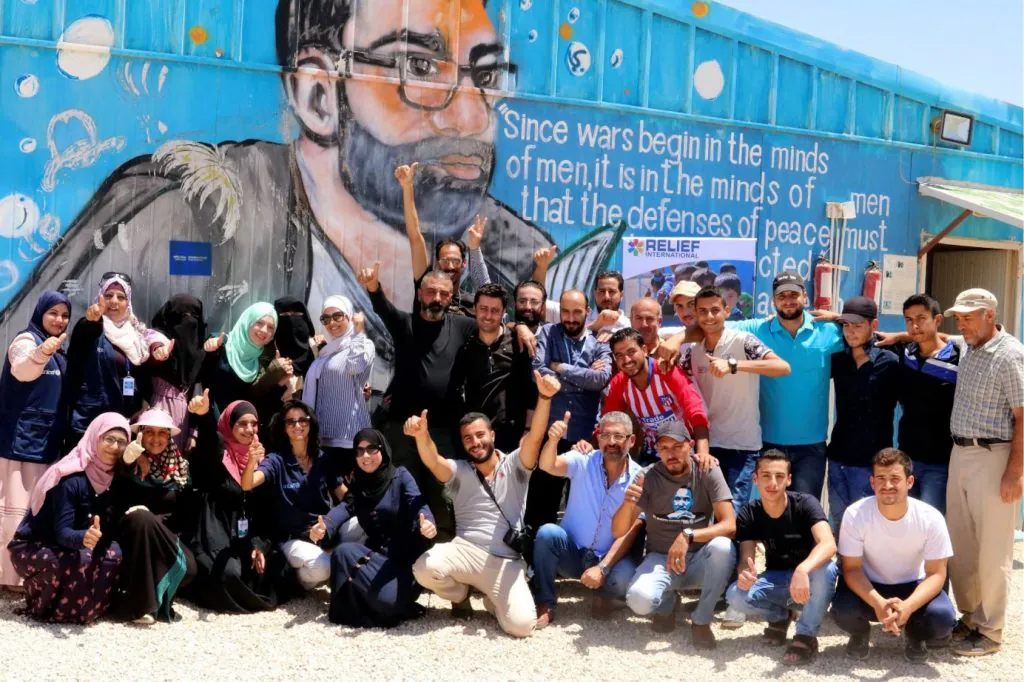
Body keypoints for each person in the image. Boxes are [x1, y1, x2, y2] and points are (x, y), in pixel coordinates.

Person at [0, 0, 562, 393]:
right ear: (318, 94)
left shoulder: (512, 256)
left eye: (485, 76)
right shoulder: (193, 212)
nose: (472, 117)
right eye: (419, 67)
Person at [669, 271, 843, 499]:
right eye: (781, 296)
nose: (788, 301)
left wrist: (841, 318)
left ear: (805, 297)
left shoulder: (829, 331)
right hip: (767, 441)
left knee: (804, 510)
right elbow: (710, 324)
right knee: (767, 511)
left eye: (794, 295)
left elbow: (865, 334)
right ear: (773, 301)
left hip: (811, 444)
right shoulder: (755, 329)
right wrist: (677, 339)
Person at [410, 373, 559, 638]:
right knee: (423, 568)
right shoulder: (459, 471)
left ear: (492, 435)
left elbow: (535, 438)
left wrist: (544, 397)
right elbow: (434, 460)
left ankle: (493, 602)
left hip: (506, 561)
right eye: (468, 438)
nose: (475, 442)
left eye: (480, 435)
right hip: (465, 551)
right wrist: (422, 436)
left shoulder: (515, 465)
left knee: (522, 627)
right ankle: (460, 594)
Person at [360, 263, 477, 538]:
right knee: (405, 491)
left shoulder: (463, 326)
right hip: (403, 429)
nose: (437, 299)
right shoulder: (405, 324)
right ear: (420, 293)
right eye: (431, 292)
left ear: (451, 297)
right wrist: (373, 285)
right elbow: (382, 307)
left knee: (443, 493)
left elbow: (493, 328)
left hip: (442, 431)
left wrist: (520, 328)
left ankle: (443, 547)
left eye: (444, 294)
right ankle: (405, 547)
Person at [943, 288, 1024, 656]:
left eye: (968, 317)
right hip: (960, 452)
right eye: (959, 318)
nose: (961, 324)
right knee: (962, 544)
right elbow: (938, 336)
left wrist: (1014, 473)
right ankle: (972, 616)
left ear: (990, 315)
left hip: (995, 456)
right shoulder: (970, 345)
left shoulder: (1010, 355)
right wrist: (895, 335)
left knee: (992, 549)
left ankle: (991, 630)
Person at [614, 422, 737, 649]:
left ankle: (701, 620)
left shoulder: (707, 470)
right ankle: (667, 604)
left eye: (678, 446)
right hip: (661, 559)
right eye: (664, 448)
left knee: (722, 547)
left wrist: (688, 534)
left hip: (699, 558)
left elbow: (730, 525)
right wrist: (628, 503)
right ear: (657, 450)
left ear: (691, 446)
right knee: (639, 602)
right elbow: (619, 531)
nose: (671, 454)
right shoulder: (647, 477)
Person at [831, 449, 956, 663]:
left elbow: (936, 574)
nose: (887, 485)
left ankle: (915, 634)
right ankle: (860, 634)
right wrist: (878, 603)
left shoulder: (931, 518)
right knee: (842, 610)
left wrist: (908, 606)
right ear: (872, 483)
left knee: (942, 618)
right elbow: (851, 569)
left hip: (913, 585)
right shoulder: (855, 514)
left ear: (909, 482)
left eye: (895, 479)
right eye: (881, 478)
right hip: (870, 585)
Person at [7, 413, 128, 624]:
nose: (115, 447)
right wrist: (84, 537)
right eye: (108, 439)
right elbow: (63, 533)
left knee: (113, 553)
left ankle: (87, 610)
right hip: (35, 546)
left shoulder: (112, 477)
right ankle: (44, 608)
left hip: (73, 544)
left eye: (121, 441)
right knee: (75, 558)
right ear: (94, 438)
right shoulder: (70, 478)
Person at [181, 393, 297, 613]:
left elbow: (264, 509)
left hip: (248, 532)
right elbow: (210, 436)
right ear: (229, 424)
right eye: (242, 423)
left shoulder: (260, 457)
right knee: (228, 573)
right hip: (216, 530)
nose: (249, 429)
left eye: (254, 423)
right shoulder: (218, 453)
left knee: (277, 569)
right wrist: (204, 415)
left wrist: (258, 546)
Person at [310, 428, 436, 628]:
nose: (365, 456)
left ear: (382, 450)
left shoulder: (400, 476)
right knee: (342, 552)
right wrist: (325, 526)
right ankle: (355, 609)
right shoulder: (359, 484)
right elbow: (344, 507)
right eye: (359, 451)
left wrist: (427, 522)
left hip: (404, 564)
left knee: (388, 602)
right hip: (377, 558)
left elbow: (417, 502)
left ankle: (391, 604)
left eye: (371, 449)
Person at [724, 450, 838, 666]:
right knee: (735, 595)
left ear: (789, 479)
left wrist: (803, 569)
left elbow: (828, 543)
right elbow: (746, 558)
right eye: (766, 476)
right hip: (776, 577)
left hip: (809, 580)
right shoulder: (750, 512)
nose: (773, 483)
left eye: (779, 476)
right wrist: (745, 575)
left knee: (828, 570)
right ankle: (779, 617)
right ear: (755, 479)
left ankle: (805, 635)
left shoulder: (805, 503)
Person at [532, 411, 645, 627]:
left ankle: (605, 597)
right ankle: (545, 602)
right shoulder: (583, 459)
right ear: (598, 438)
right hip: (572, 554)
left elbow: (630, 532)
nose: (611, 442)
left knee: (624, 577)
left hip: (608, 559)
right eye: (605, 435)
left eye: (618, 436)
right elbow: (548, 465)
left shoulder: (640, 479)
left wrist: (603, 568)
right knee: (547, 533)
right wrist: (553, 440)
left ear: (631, 440)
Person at [681, 286, 790, 508]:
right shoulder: (693, 351)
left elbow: (782, 367)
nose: (709, 316)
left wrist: (733, 365)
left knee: (733, 512)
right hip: (706, 446)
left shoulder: (743, 340)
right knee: (705, 512)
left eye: (715, 310)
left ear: (727, 311)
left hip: (742, 446)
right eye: (703, 311)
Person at [0, 291, 71, 589]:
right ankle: (8, 577)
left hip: (47, 444)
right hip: (20, 445)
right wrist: (41, 353)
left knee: (35, 511)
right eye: (52, 313)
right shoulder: (26, 341)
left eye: (65, 315)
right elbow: (22, 369)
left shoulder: (60, 352)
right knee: (13, 511)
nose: (59, 319)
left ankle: (30, 575)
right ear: (40, 313)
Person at [240, 400, 343, 590]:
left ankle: (327, 565)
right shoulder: (276, 460)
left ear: (310, 423)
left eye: (302, 420)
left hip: (325, 532)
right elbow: (248, 484)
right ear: (284, 427)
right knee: (323, 567)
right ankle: (296, 579)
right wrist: (252, 461)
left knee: (358, 526)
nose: (297, 425)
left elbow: (345, 496)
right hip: (293, 538)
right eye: (291, 421)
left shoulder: (322, 458)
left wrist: (334, 521)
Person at [531, 289, 612, 527]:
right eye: (565, 311)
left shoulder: (599, 343)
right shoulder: (548, 332)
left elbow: (600, 379)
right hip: (551, 433)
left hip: (584, 437)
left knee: (582, 507)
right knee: (542, 504)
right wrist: (582, 376)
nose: (570, 318)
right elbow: (537, 369)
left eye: (577, 312)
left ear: (588, 312)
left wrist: (561, 368)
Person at [111, 408, 197, 624]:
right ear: (140, 434)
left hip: (165, 536)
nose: (155, 439)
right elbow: (116, 488)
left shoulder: (180, 468)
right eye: (149, 432)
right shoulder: (130, 460)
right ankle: (143, 607)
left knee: (189, 568)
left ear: (169, 437)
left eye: (162, 433)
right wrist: (128, 461)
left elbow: (185, 514)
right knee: (142, 518)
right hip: (133, 533)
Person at [64, 274, 172, 445]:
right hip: (90, 421)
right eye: (108, 295)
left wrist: (141, 402)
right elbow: (80, 343)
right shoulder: (91, 326)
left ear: (128, 303)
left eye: (121, 297)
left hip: (123, 421)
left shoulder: (136, 333)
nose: (114, 301)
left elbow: (143, 370)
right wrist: (90, 321)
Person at [826, 297, 899, 530]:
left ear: (873, 325)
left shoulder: (891, 361)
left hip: (871, 461)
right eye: (846, 325)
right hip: (838, 456)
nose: (850, 331)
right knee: (839, 524)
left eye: (858, 325)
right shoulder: (839, 359)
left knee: (869, 527)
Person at [395, 163, 492, 317]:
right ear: (437, 263)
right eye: (445, 260)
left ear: (464, 264)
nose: (450, 266)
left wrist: (474, 248)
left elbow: (487, 290)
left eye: (455, 261)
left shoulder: (472, 303)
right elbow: (415, 238)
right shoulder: (426, 286)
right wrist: (407, 188)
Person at [448, 284, 536, 452]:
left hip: (512, 438)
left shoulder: (518, 344)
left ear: (503, 312)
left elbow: (530, 392)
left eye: (495, 310)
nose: (488, 316)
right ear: (475, 309)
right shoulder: (464, 346)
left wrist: (528, 431)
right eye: (483, 309)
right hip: (476, 441)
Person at [894, 294, 960, 512]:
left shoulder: (958, 359)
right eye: (909, 319)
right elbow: (864, 330)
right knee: (905, 520)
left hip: (939, 463)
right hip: (907, 458)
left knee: (931, 522)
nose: (915, 326)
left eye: (921, 318)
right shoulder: (906, 354)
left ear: (938, 320)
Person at [604, 328, 710, 465]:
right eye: (619, 356)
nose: (627, 360)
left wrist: (703, 452)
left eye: (631, 352)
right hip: (652, 456)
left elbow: (696, 410)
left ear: (644, 350)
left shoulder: (666, 371)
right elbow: (608, 420)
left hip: (684, 453)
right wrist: (588, 445)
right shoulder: (618, 383)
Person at [303, 295, 374, 484]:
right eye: (326, 319)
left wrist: (358, 333)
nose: (331, 323)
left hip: (348, 439)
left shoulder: (364, 344)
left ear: (349, 316)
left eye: (337, 316)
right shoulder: (327, 351)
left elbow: (355, 367)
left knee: (348, 495)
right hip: (324, 437)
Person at [200, 301, 293, 421]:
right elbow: (200, 379)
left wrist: (278, 382)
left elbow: (258, 402)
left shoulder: (263, 360)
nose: (264, 330)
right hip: (211, 423)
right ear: (247, 321)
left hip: (242, 427)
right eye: (259, 323)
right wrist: (208, 348)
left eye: (270, 327)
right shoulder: (221, 344)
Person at [149, 295, 207, 449]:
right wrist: (158, 351)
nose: (188, 321)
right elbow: (153, 349)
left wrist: (193, 433)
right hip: (157, 412)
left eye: (193, 316)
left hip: (185, 419)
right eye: (181, 316)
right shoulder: (158, 342)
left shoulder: (200, 354)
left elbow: (197, 391)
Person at [273, 296, 318, 398]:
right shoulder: (269, 353)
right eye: (285, 315)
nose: (291, 319)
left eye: (295, 314)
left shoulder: (316, 349)